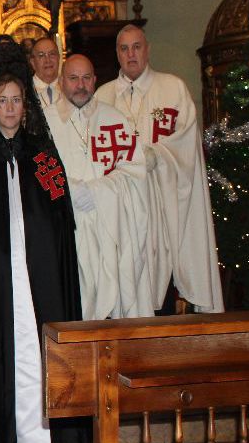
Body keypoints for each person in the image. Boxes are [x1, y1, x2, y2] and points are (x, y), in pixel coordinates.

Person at [0, 46, 82, 443]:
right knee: (4, 349)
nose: (10, 108)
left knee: (40, 348)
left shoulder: (43, 155)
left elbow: (61, 216)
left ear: (25, 105)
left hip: (40, 274)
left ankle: (44, 442)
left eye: (17, 100)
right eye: (3, 101)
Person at [95, 25, 224, 313]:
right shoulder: (102, 97)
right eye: (124, 48)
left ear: (148, 49)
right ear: (116, 53)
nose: (131, 54)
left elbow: (187, 138)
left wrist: (157, 155)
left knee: (164, 272)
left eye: (137, 47)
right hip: (123, 202)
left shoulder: (173, 88)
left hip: (165, 197)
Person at [48, 54, 153, 320]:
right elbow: (37, 170)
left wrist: (96, 192)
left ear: (95, 81)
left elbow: (135, 172)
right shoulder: (45, 122)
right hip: (66, 226)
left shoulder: (115, 119)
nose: (80, 85)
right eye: (73, 78)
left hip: (109, 225)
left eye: (86, 78)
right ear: (62, 82)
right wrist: (70, 191)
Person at [29, 36, 61, 110]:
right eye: (41, 55)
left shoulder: (70, 87)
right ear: (33, 62)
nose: (48, 60)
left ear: (59, 58)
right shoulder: (24, 90)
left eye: (52, 54)